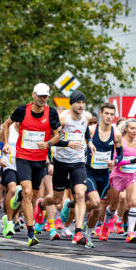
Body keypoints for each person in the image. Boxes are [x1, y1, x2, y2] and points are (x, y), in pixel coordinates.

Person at [2, 83, 61, 246]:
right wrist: (6, 143)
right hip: (23, 158)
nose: (43, 99)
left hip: (40, 160)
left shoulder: (51, 113)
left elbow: (58, 135)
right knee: (28, 192)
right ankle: (30, 232)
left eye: (45, 96)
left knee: (34, 196)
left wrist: (48, 143)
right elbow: (6, 125)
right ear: (33, 95)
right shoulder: (22, 110)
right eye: (40, 96)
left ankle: (19, 196)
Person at [35, 90, 96, 245]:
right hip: (61, 162)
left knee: (80, 194)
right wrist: (67, 144)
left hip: (78, 162)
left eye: (83, 103)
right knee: (56, 198)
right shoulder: (63, 118)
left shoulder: (85, 118)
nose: (81, 106)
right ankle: (41, 204)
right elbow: (51, 139)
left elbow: (85, 131)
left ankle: (77, 232)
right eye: (78, 103)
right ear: (72, 103)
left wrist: (89, 142)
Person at [84, 103, 118, 248]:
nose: (109, 116)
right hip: (88, 172)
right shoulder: (91, 130)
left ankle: (88, 234)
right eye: (106, 113)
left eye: (111, 114)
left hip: (104, 175)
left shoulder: (116, 134)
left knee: (97, 208)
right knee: (96, 203)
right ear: (101, 114)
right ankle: (78, 214)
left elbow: (121, 154)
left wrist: (115, 161)